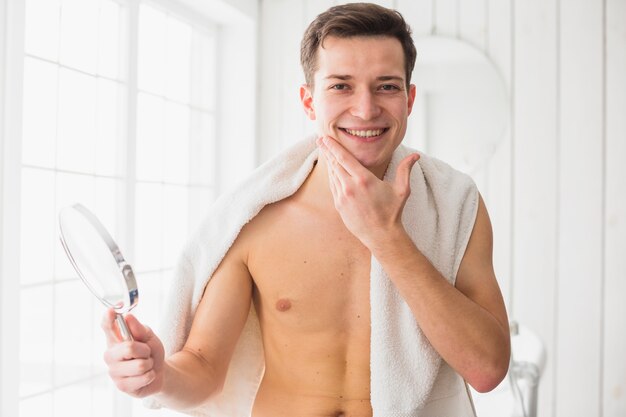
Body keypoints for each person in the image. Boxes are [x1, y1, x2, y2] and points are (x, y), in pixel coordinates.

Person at [101, 3, 510, 416]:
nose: (366, 109)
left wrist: (387, 237)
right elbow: (204, 368)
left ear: (410, 98)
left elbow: (487, 369)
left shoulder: (456, 204)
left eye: (386, 86)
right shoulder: (255, 216)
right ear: (309, 101)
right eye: (340, 86)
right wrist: (159, 377)